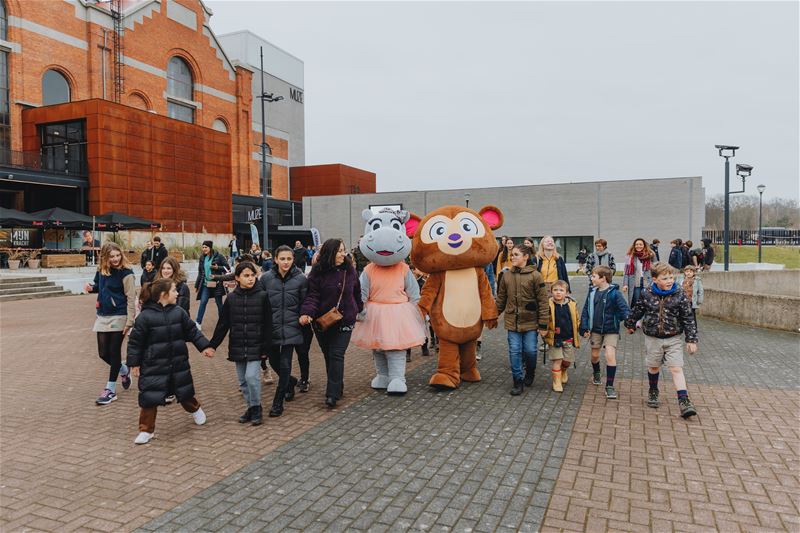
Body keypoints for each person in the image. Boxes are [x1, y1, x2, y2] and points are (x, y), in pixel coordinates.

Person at [126, 278, 213, 444]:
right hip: (153, 365)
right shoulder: (144, 317)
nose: (178, 293)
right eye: (174, 290)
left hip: (177, 362)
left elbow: (192, 332)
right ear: (163, 295)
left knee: (184, 391)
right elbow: (135, 343)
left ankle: (195, 409)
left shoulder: (179, 312)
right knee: (149, 398)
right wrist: (134, 363)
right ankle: (146, 430)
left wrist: (204, 346)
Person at [624, 262, 699, 418]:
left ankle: (684, 401)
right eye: (665, 278)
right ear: (655, 279)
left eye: (671, 277)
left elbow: (688, 318)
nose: (669, 281)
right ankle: (653, 390)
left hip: (673, 337)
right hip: (653, 338)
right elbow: (638, 310)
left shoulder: (680, 294)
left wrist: (691, 339)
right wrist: (630, 324)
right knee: (653, 367)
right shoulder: (647, 293)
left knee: (676, 368)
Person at [299, 238, 363, 408]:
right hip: (323, 322)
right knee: (329, 356)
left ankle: (332, 394)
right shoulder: (317, 272)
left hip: (345, 319)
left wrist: (358, 308)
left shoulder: (349, 270)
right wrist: (307, 313)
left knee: (336, 355)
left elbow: (356, 291)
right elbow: (312, 296)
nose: (344, 254)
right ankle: (337, 384)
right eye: (340, 251)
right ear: (330, 253)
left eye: (344, 250)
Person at [208, 262, 273, 425]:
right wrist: (212, 345)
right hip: (238, 345)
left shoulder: (263, 296)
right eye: (246, 276)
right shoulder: (230, 298)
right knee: (243, 381)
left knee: (252, 377)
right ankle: (250, 408)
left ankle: (257, 408)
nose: (250, 279)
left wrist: (266, 348)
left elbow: (268, 324)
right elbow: (223, 324)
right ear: (237, 278)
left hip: (256, 345)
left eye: (252, 275)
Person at [85, 243, 137, 405]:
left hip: (120, 315)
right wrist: (90, 288)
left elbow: (131, 297)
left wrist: (130, 321)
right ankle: (123, 369)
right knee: (103, 353)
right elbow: (98, 287)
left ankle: (110, 390)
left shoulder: (126, 273)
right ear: (105, 257)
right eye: (112, 256)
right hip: (103, 315)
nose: (115, 259)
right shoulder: (101, 270)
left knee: (114, 352)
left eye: (117, 255)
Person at [495, 244, 549, 395]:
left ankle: (530, 372)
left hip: (531, 322)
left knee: (531, 351)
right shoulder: (506, 276)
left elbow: (543, 301)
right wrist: (493, 316)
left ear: (525, 257)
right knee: (514, 351)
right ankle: (517, 381)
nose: (512, 257)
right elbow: (501, 299)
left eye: (516, 255)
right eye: (512, 255)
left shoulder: (536, 275)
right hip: (513, 322)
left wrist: (543, 324)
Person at [261, 245, 309, 416]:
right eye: (282, 258)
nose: (286, 262)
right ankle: (290, 382)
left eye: (289, 258)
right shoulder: (265, 279)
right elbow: (260, 303)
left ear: (293, 260)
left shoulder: (301, 279)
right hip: (272, 328)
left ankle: (277, 402)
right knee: (274, 362)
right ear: (275, 259)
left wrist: (305, 314)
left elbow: (306, 302)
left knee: (285, 364)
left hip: (292, 327)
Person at [579, 265, 630, 399]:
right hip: (595, 330)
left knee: (610, 355)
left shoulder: (615, 293)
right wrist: (584, 327)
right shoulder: (592, 292)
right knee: (595, 355)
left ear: (603, 278)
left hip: (611, 330)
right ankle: (596, 372)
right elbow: (585, 311)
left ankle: (609, 386)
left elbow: (624, 309)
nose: (591, 278)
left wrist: (629, 322)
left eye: (594, 276)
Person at [544, 280, 580, 392]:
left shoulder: (572, 305)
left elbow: (576, 320)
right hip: (555, 339)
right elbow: (543, 318)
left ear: (567, 293)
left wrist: (581, 329)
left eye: (561, 290)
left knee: (567, 361)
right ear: (551, 292)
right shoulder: (548, 304)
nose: (558, 292)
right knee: (557, 360)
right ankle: (556, 382)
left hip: (568, 337)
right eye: (555, 290)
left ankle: (563, 371)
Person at [194, 240, 227, 329]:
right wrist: (197, 285)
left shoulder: (219, 256)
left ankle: (223, 323)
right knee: (203, 302)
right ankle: (198, 323)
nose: (204, 249)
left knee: (219, 304)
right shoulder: (202, 258)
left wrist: (218, 267)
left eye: (206, 247)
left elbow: (227, 268)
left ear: (210, 248)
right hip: (206, 284)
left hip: (217, 284)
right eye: (203, 247)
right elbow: (200, 272)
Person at [622, 237, 654, 308]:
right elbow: (626, 271)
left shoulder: (650, 255)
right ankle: (635, 317)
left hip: (648, 281)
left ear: (644, 245)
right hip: (635, 282)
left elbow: (656, 269)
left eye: (640, 244)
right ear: (634, 245)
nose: (638, 246)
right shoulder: (629, 256)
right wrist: (625, 284)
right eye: (636, 244)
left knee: (647, 301)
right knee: (636, 301)